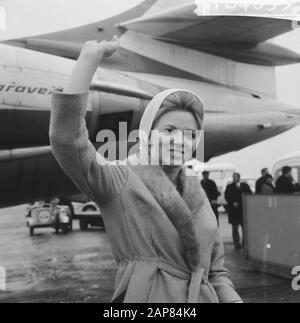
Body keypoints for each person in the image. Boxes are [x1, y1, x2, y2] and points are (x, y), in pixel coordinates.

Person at [49, 36, 242, 303]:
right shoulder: (120, 180)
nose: (180, 141)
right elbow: (68, 141)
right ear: (147, 136)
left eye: (190, 134)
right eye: (169, 131)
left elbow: (217, 272)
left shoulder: (199, 198)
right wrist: (88, 61)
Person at [225, 173, 252, 250]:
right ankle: (236, 243)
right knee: (235, 228)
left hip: (243, 210)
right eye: (233, 177)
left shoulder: (245, 186)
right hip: (234, 211)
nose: (234, 178)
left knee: (245, 228)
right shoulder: (229, 187)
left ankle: (245, 243)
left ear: (239, 177)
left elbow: (249, 194)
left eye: (235, 177)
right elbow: (227, 196)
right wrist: (232, 202)